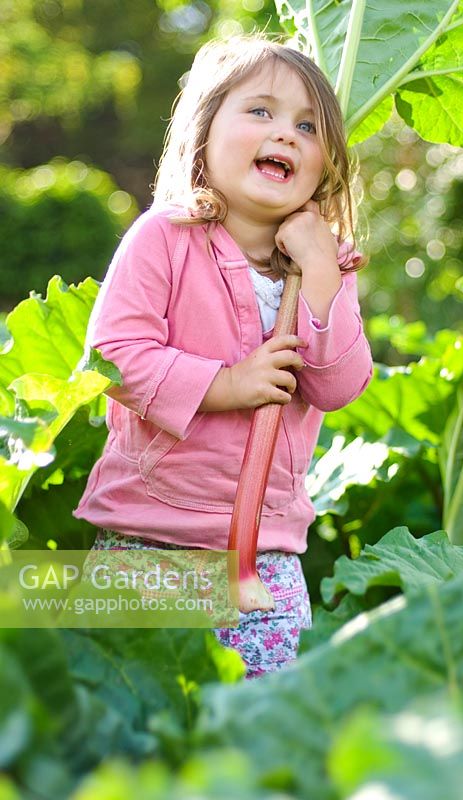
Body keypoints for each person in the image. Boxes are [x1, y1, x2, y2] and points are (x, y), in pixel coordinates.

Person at [73, 34, 373, 679]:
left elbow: (339, 384)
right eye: (260, 112)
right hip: (149, 538)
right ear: (204, 131)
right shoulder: (166, 236)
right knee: (129, 715)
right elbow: (114, 354)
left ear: (327, 164)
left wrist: (320, 265)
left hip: (263, 556)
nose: (286, 134)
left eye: (307, 126)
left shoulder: (327, 266)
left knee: (257, 727)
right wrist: (226, 384)